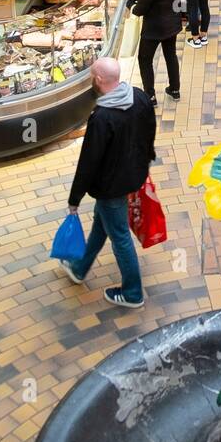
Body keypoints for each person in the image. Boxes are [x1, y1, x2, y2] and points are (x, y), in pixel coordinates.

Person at [60, 57, 156, 308]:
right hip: (133, 176)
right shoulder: (139, 97)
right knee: (102, 224)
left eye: (92, 76)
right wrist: (145, 161)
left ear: (99, 80)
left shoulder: (102, 116)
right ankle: (79, 268)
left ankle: (133, 292)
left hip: (111, 187)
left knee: (120, 237)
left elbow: (89, 161)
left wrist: (74, 199)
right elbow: (150, 131)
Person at [128, 0, 183, 106]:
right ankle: (175, 89)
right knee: (171, 56)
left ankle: (150, 96)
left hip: (153, 30)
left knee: (145, 60)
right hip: (172, 25)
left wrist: (131, 5)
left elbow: (140, 10)